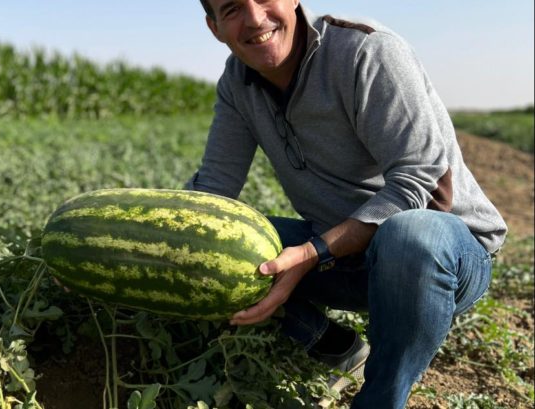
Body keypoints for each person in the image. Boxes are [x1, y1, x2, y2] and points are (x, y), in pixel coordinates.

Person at [187, 1, 508, 408]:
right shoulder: (237, 83)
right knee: (222, 246)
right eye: (232, 8)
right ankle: (334, 345)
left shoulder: (365, 51)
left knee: (409, 234)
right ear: (214, 27)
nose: (254, 18)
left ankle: (380, 398)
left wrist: (312, 251)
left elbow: (420, 183)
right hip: (346, 256)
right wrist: (146, 233)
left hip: (443, 255)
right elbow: (213, 191)